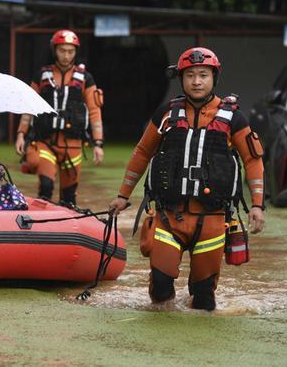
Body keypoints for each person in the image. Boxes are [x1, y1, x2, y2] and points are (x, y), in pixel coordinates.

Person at [108, 47, 266, 311]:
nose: (196, 81)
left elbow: (253, 160)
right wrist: (123, 196)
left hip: (213, 220)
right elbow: (142, 153)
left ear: (214, 78)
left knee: (204, 300)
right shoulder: (166, 115)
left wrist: (258, 205)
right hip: (170, 217)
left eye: (203, 75)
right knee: (160, 288)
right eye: (190, 75)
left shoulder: (234, 119)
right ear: (181, 79)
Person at [15, 29, 104, 206]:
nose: (66, 55)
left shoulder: (86, 78)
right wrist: (21, 134)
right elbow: (28, 108)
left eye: (70, 51)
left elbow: (94, 112)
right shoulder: (41, 75)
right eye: (62, 50)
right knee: (46, 187)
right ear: (54, 50)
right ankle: (41, 226)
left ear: (76, 52)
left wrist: (98, 143)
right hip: (45, 141)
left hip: (73, 144)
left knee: (69, 197)